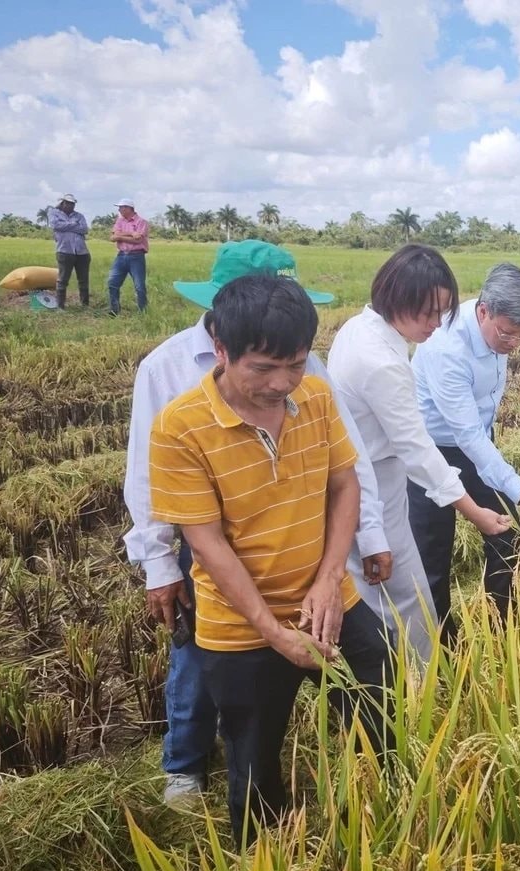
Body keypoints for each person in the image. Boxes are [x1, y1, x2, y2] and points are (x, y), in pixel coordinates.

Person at [123, 240, 391, 809]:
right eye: (264, 369)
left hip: (326, 598)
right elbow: (206, 544)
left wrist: (329, 581)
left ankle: (384, 810)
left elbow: (345, 484)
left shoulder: (315, 395)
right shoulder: (179, 426)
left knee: (380, 705)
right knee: (253, 757)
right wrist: (274, 632)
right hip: (242, 622)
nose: (281, 383)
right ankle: (254, 842)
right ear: (220, 348)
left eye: (295, 364)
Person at [328, 244, 511, 662]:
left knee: (380, 592)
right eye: (427, 312)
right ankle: (420, 681)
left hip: (363, 477)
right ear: (396, 298)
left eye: (442, 312)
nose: (435, 323)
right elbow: (417, 449)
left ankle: (396, 675)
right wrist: (476, 513)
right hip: (371, 483)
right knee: (408, 599)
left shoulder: (361, 327)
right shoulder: (381, 362)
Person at [408, 263, 520, 637]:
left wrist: (510, 487)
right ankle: (445, 644)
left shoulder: (501, 331)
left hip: (478, 444)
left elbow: (477, 436)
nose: (513, 342)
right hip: (430, 452)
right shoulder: (447, 349)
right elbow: (467, 435)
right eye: (508, 333)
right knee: (433, 553)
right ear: (484, 311)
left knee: (506, 532)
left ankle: (501, 621)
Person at [47, 193, 90, 308]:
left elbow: (84, 229)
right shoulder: (54, 213)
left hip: (82, 252)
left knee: (83, 280)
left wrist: (65, 226)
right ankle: (60, 306)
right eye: (68, 203)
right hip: (64, 251)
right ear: (63, 203)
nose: (71, 206)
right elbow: (56, 226)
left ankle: (85, 305)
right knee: (62, 279)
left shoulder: (79, 215)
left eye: (73, 204)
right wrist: (74, 225)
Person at [108, 197, 149, 315]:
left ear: (128, 208)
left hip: (136, 256)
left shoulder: (141, 222)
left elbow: (138, 240)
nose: (119, 210)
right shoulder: (120, 221)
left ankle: (143, 311)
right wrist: (131, 233)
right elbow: (113, 237)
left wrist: (120, 236)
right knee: (112, 283)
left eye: (121, 207)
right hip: (121, 255)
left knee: (139, 286)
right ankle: (114, 310)